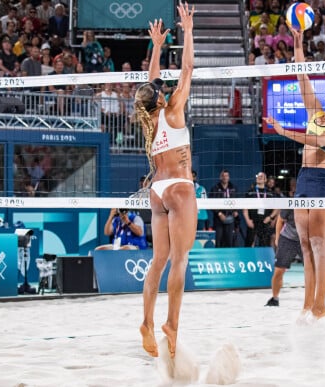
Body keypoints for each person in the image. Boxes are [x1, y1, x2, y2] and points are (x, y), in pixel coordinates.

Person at [263, 27, 325, 322]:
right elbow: (302, 76)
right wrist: (298, 44)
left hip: (324, 181)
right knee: (304, 245)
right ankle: (306, 305)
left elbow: (318, 142)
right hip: (304, 179)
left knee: (318, 242)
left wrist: (284, 131)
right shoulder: (315, 111)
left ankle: (321, 305)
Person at [133, 4, 196, 359]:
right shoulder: (172, 109)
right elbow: (187, 68)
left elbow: (149, 83)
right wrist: (187, 31)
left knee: (158, 260)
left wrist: (157, 47)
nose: (163, 87)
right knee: (180, 259)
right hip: (179, 187)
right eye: (160, 88)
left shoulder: (149, 118)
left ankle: (146, 321)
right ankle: (171, 323)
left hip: (156, 191)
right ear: (159, 97)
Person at [265, 208, 302, 307]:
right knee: (278, 271)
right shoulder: (290, 204)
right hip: (288, 239)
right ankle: (275, 298)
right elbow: (280, 220)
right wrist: (277, 238)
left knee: (312, 271)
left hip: (306, 239)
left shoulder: (315, 203)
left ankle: (315, 299)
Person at [242, 171, 279, 247]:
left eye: (261, 176)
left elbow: (277, 207)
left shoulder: (270, 193)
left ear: (265, 180)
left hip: (265, 221)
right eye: (258, 176)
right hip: (253, 221)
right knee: (250, 243)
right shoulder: (250, 192)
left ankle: (264, 258)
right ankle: (250, 258)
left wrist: (270, 217)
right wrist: (247, 220)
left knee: (265, 244)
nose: (259, 177)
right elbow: (244, 208)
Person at [209, 169, 239, 247]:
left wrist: (235, 211)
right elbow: (211, 203)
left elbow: (237, 201)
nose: (225, 177)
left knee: (229, 241)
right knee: (218, 242)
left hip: (230, 218)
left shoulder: (233, 188)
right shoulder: (215, 188)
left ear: (229, 177)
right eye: (223, 176)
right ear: (220, 177)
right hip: (219, 219)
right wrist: (219, 213)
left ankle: (229, 258)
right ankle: (218, 258)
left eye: (226, 176)